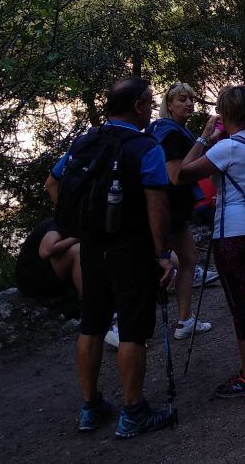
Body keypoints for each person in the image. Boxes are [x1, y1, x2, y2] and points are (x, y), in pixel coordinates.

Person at [45, 77, 177, 437]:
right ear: (137, 107)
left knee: (93, 324)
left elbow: (52, 183)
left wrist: (76, 221)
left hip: (91, 247)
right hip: (130, 250)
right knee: (134, 329)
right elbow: (156, 206)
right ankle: (133, 412)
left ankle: (90, 407)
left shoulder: (83, 142)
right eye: (149, 101)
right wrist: (163, 254)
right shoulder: (145, 146)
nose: (152, 107)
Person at [177, 85, 245, 398]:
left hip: (233, 233)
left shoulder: (227, 148)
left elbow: (181, 174)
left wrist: (204, 138)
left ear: (226, 114)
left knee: (239, 301)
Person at [146, 83, 213, 343]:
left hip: (172, 209)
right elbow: (176, 176)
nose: (188, 103)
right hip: (167, 209)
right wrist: (204, 139)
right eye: (182, 99)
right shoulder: (171, 134)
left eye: (191, 99)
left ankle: (185, 320)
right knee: (169, 262)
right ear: (169, 104)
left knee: (188, 258)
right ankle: (122, 324)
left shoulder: (169, 130)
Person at [15, 217, 80, 298]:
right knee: (78, 250)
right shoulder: (61, 221)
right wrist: (79, 236)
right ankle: (91, 305)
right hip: (30, 281)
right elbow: (46, 251)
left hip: (47, 275)